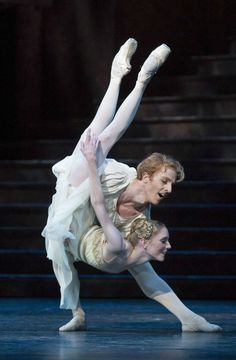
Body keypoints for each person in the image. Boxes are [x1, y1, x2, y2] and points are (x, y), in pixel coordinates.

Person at [42, 39, 222, 332]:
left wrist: (191, 317)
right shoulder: (118, 175)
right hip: (77, 191)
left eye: (172, 184)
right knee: (102, 136)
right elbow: (98, 197)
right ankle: (134, 78)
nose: (168, 190)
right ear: (146, 176)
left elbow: (147, 274)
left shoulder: (142, 219)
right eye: (165, 181)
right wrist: (90, 163)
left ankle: (190, 319)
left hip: (91, 219)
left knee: (139, 263)